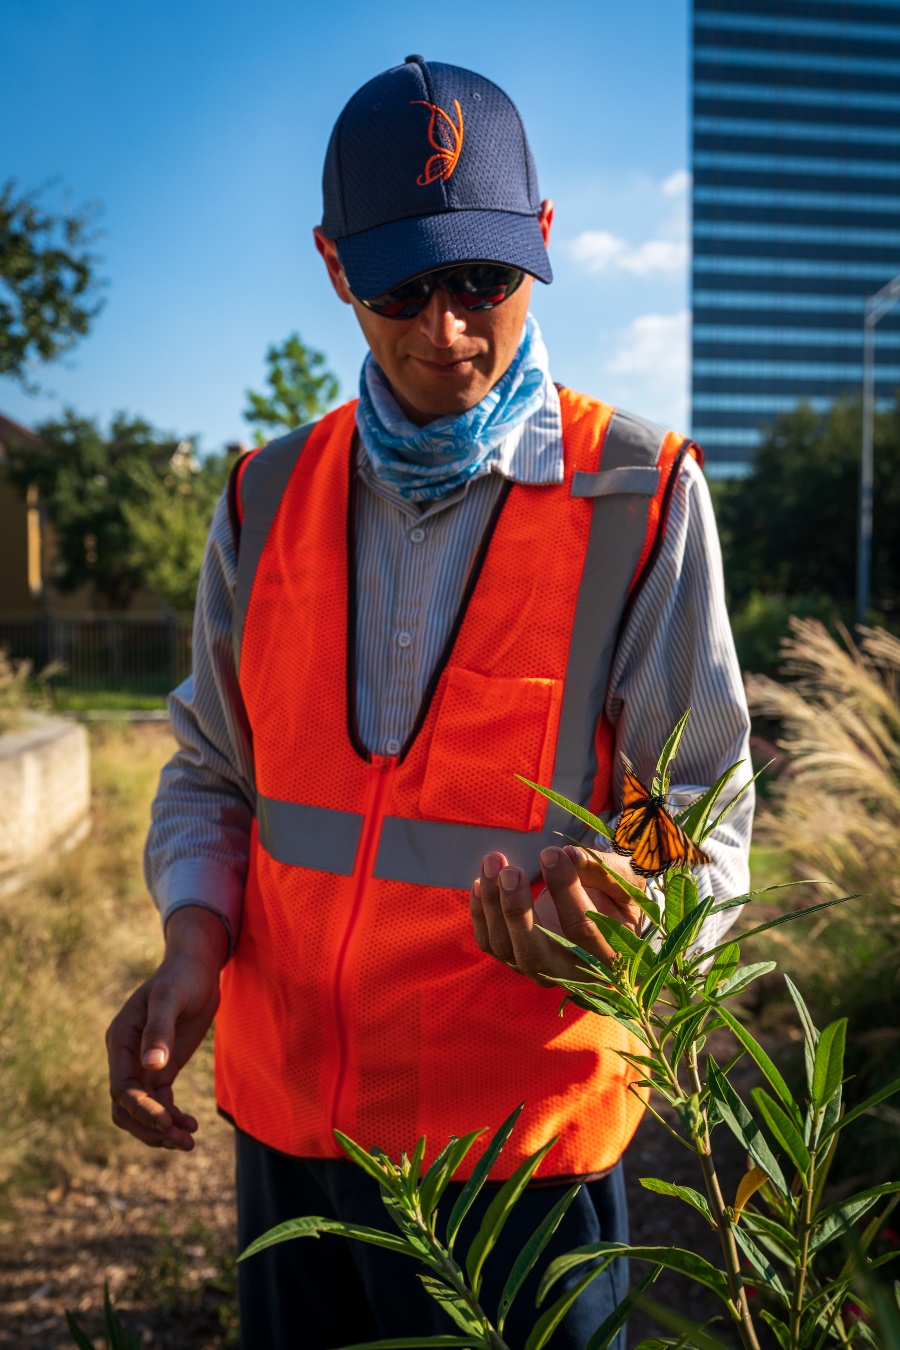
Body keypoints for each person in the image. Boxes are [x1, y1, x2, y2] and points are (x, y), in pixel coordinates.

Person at [106, 57, 753, 1349]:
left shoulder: (639, 496)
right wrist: (192, 940)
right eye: (402, 287)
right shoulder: (263, 497)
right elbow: (216, 773)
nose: (448, 331)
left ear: (545, 243)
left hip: (527, 1160)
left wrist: (632, 916)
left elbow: (695, 808)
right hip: (295, 1133)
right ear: (333, 263)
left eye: (486, 282)